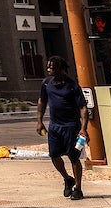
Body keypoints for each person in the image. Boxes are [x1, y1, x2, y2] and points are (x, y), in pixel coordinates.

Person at [37, 58, 86, 199]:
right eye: (48, 67)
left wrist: (83, 128)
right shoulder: (46, 83)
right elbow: (42, 101)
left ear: (61, 68)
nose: (48, 69)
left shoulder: (72, 85)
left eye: (51, 67)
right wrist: (39, 121)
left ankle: (78, 188)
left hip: (71, 126)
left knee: (74, 157)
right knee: (54, 155)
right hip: (54, 127)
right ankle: (67, 178)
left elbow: (82, 107)